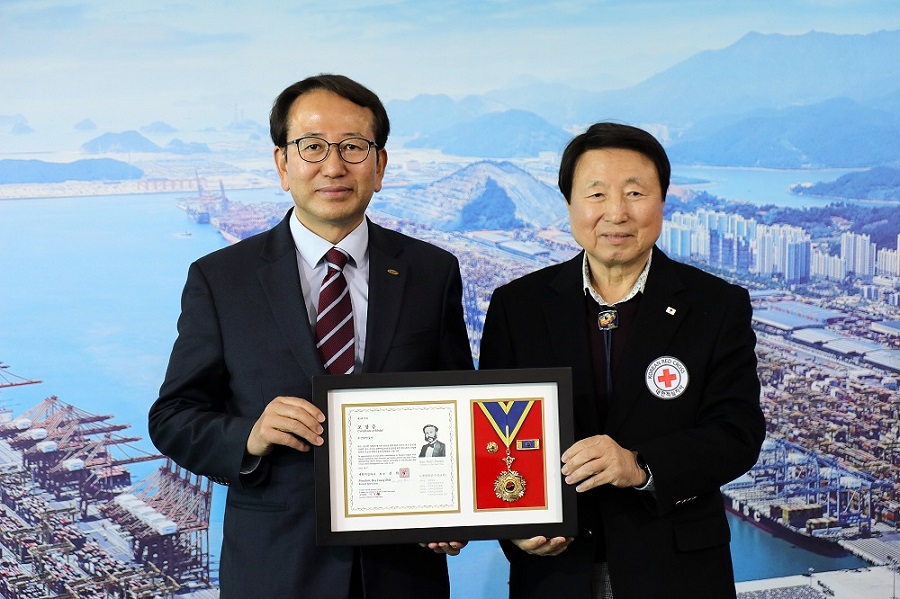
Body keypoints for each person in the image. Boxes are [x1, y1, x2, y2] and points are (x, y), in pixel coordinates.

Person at [148, 74, 473, 599]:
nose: (333, 165)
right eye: (313, 147)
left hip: (403, 570)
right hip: (275, 566)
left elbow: (461, 410)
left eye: (353, 147)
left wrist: (458, 509)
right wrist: (249, 436)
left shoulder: (431, 272)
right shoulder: (221, 279)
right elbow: (172, 418)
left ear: (380, 165)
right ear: (283, 164)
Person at [478, 122, 766, 598]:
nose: (616, 212)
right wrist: (513, 525)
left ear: (662, 202)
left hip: (677, 571)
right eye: (595, 194)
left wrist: (640, 465)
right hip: (554, 569)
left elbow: (737, 432)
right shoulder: (518, 305)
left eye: (635, 193)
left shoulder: (716, 306)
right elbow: (490, 434)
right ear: (569, 204)